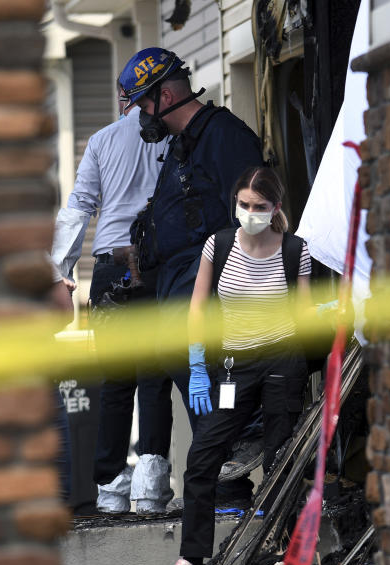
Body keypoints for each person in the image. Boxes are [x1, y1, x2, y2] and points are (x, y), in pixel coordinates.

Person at [117, 48, 267, 507]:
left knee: (222, 410)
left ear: (165, 94)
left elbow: (252, 217)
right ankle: (227, 501)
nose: (143, 117)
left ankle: (239, 475)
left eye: (144, 104)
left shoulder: (224, 137)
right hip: (175, 293)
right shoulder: (183, 146)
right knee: (202, 410)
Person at [155, 167, 312, 565]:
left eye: (260, 207)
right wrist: (195, 368)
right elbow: (196, 309)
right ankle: (191, 558)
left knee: (282, 458)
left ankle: (284, 551)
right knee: (203, 457)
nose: (250, 213)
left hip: (282, 360)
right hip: (233, 365)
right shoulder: (218, 245)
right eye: (244, 204)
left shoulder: (296, 251)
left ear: (275, 208)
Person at [49, 88, 175, 515]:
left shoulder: (102, 140)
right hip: (160, 263)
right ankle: (150, 490)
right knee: (155, 375)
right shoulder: (175, 135)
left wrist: (60, 269)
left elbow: (79, 204)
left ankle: (109, 488)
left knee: (116, 381)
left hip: (110, 268)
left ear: (126, 98)